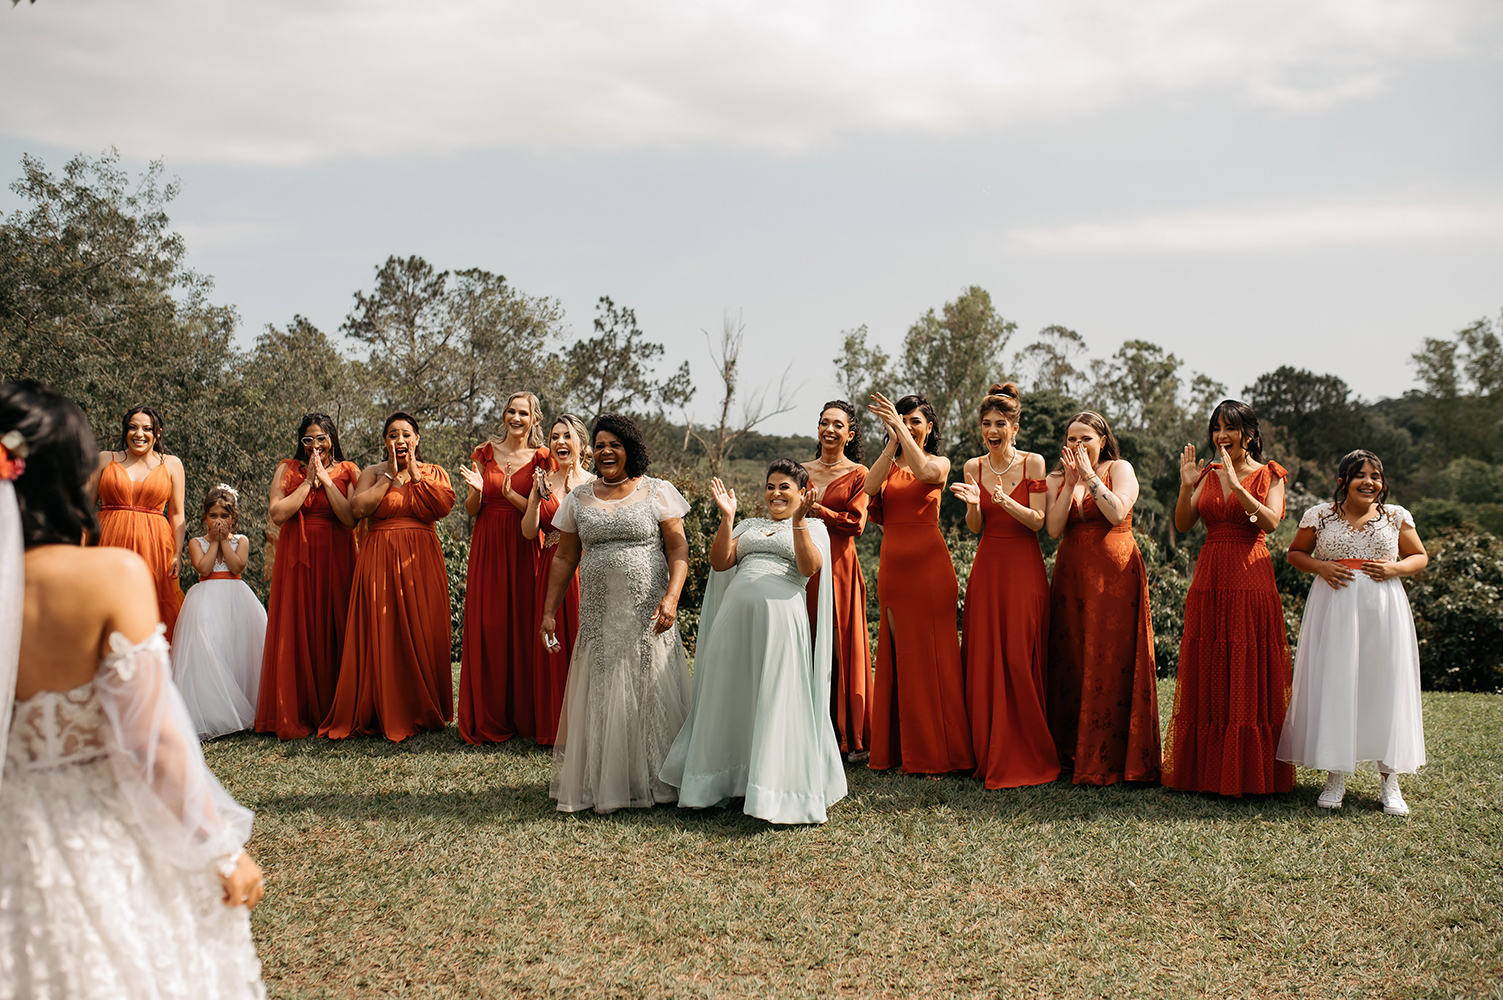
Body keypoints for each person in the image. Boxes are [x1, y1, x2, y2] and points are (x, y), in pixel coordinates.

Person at [0, 381, 265, 998]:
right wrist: (219, 848)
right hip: (91, 842)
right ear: (72, 475)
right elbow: (157, 740)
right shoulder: (109, 577)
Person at [662, 462, 848, 824]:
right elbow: (719, 563)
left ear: (801, 491)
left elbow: (809, 568)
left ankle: (772, 789)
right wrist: (728, 518)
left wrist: (798, 521)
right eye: (770, 487)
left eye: (784, 488)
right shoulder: (748, 526)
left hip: (781, 622)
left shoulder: (815, 527)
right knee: (730, 694)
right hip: (733, 621)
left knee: (775, 696)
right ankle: (718, 783)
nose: (776, 494)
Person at [538, 414, 692, 814]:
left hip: (648, 609)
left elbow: (678, 550)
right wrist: (549, 612)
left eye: (615, 445)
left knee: (650, 684)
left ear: (630, 450)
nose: (607, 451)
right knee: (604, 686)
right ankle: (605, 779)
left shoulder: (657, 491)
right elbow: (565, 556)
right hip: (598, 611)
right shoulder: (578, 498)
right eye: (601, 445)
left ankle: (659, 779)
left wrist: (672, 598)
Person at [1278, 450, 1427, 815]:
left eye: (1376, 475)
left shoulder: (1396, 516)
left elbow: (1419, 556)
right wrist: (1321, 568)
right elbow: (1294, 553)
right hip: (1334, 607)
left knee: (1385, 684)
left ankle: (1389, 781)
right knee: (1336, 682)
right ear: (1344, 479)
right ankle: (1335, 775)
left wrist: (1396, 570)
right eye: (1361, 474)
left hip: (1384, 608)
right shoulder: (1320, 515)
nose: (1370, 482)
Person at [1163, 400, 1292, 797]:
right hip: (1209, 575)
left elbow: (1270, 522)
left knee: (1244, 661)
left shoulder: (1270, 474)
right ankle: (1205, 771)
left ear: (1249, 434)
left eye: (1230, 428)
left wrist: (1239, 489)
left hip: (1249, 574)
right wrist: (1186, 487)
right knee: (1211, 662)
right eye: (1216, 428)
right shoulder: (1209, 472)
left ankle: (1248, 773)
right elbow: (1184, 524)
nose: (1221, 435)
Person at [949, 383, 1060, 789]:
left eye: (1000, 424)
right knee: (986, 657)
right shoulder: (971, 467)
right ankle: (987, 748)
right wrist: (976, 506)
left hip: (1024, 567)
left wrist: (1005, 500)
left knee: (1017, 655)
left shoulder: (1034, 463)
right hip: (988, 566)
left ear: (1014, 426)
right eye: (986, 424)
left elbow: (1038, 523)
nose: (992, 431)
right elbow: (976, 528)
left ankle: (1027, 748)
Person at [320, 412, 455, 742]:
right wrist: (388, 477)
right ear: (385, 441)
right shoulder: (371, 472)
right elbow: (357, 510)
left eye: (406, 434)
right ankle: (381, 707)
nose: (400, 440)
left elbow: (444, 505)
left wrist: (413, 475)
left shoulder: (433, 472)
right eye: (393, 434)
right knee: (383, 629)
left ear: (417, 439)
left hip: (420, 561)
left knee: (423, 629)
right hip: (378, 558)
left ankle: (423, 707)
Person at [1044, 411, 1160, 785]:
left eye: (1086, 438)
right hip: (1072, 577)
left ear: (1102, 441)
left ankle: (1117, 758)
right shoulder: (1056, 477)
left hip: (1116, 577)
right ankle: (1071, 754)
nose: (1078, 445)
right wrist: (1069, 482)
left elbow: (1117, 511)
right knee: (1073, 658)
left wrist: (1090, 477)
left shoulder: (1119, 468)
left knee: (1112, 659)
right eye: (1071, 438)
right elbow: (1054, 528)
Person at [864, 392, 975, 777]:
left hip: (931, 568)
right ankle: (902, 751)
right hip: (894, 569)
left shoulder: (938, 462)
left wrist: (902, 434)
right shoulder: (888, 462)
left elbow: (926, 474)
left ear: (929, 427)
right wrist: (892, 442)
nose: (908, 425)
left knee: (935, 657)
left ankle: (942, 753)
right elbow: (868, 489)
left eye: (915, 421)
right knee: (902, 659)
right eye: (902, 419)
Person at [255, 413, 360, 739]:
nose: (316, 446)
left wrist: (326, 482)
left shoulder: (349, 470)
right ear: (301, 442)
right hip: (296, 562)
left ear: (333, 440)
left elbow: (350, 519)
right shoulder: (288, 469)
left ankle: (336, 710)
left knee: (335, 626)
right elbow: (277, 512)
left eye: (322, 439)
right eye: (309, 440)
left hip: (336, 557)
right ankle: (295, 712)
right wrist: (306, 483)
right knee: (296, 630)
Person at [458, 391, 546, 744]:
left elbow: (545, 507)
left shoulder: (543, 458)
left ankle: (525, 717)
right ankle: (489, 715)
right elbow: (470, 509)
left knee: (524, 625)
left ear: (535, 420)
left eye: (523, 413)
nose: (515, 418)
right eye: (511, 411)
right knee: (490, 625)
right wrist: (477, 491)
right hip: (488, 546)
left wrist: (513, 497)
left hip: (525, 545)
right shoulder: (485, 452)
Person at [801, 400, 872, 760]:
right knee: (805, 640)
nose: (830, 430)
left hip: (841, 566)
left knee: (840, 645)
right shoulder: (800, 470)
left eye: (838, 425)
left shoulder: (860, 473)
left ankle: (847, 734)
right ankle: (804, 727)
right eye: (824, 423)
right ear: (818, 429)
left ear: (850, 433)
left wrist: (817, 509)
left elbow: (856, 523)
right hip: (802, 565)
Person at [520, 414, 594, 746]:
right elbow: (527, 531)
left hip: (587, 570)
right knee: (553, 645)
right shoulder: (543, 481)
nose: (560, 442)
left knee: (584, 643)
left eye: (567, 436)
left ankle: (588, 723)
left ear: (581, 442)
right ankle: (554, 725)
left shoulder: (595, 483)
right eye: (554, 437)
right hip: (550, 565)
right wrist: (536, 497)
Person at [172, 484, 267, 739]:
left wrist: (225, 540)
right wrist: (214, 541)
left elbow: (237, 566)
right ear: (205, 517)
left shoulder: (242, 541)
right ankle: (216, 713)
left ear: (233, 518)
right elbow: (203, 569)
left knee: (237, 649)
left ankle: (245, 707)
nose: (218, 520)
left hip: (236, 598)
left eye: (224, 516)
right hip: (206, 599)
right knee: (212, 649)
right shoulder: (195, 542)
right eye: (213, 515)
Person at [95, 405, 186, 640]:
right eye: (133, 428)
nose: (139, 434)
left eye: (147, 429)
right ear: (125, 432)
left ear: (158, 433)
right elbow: (84, 509)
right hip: (107, 546)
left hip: (155, 549)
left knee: (153, 612)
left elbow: (177, 514)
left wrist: (177, 553)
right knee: (106, 607)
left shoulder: (172, 464)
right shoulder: (105, 460)